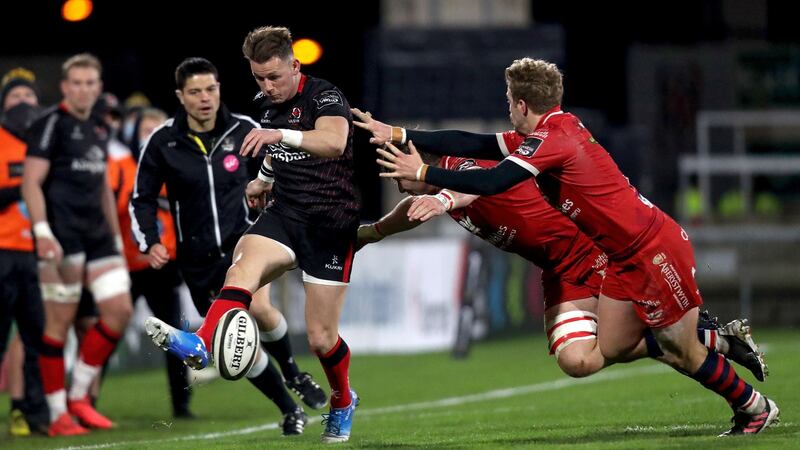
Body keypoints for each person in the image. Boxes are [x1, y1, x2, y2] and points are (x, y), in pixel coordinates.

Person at [372, 58, 779, 436]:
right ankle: (714, 337)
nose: (508, 110)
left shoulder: (553, 140)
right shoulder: (550, 130)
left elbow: (491, 182)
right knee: (612, 347)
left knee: (681, 352)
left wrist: (426, 172)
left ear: (522, 104)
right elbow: (473, 143)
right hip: (622, 255)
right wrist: (401, 134)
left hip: (652, 249)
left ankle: (753, 406)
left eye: (509, 103)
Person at [352, 126, 766, 381]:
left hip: (593, 255)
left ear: (418, 159)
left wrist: (442, 198)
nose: (392, 174)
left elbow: (466, 186)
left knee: (648, 348)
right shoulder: (427, 195)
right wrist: (369, 233)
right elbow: (408, 213)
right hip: (559, 270)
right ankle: (710, 337)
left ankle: (732, 384)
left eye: (394, 163)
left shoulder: (457, 171)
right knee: (577, 361)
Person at [143, 27, 361, 443]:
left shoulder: (325, 96)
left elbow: (333, 143)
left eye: (274, 77)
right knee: (241, 267)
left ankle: (342, 399)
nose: (267, 86)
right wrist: (262, 178)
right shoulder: (265, 104)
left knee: (321, 338)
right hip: (285, 214)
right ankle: (201, 342)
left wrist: (278, 135)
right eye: (259, 78)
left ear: (295, 66)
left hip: (330, 224)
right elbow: (280, 156)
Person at [22, 54, 134, 436]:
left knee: (119, 312)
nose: (85, 89)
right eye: (78, 82)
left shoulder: (99, 128)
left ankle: (79, 398)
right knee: (59, 324)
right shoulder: (50, 124)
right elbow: (31, 182)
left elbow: (102, 183)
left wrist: (116, 238)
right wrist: (42, 231)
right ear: (65, 87)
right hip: (62, 235)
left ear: (98, 87)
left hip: (98, 235)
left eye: (91, 83)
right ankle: (57, 416)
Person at [0, 67, 48, 436]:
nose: (22, 104)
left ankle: (33, 414)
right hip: (2, 252)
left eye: (28, 97)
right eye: (15, 98)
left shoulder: (45, 144)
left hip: (37, 254)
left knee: (36, 339)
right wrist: (24, 188)